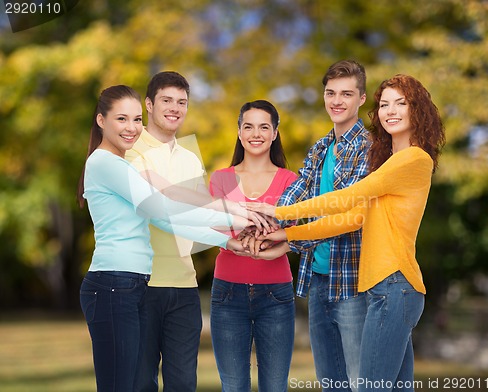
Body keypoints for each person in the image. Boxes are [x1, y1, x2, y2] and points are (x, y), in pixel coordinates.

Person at [246, 74, 446, 392]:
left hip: (396, 287)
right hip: (386, 290)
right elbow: (350, 218)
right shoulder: (391, 165)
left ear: (417, 109)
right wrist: (288, 236)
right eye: (384, 105)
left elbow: (349, 195)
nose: (390, 110)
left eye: (400, 103)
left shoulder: (413, 159)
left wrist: (279, 212)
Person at [76, 85, 248, 392]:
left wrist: (226, 237)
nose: (131, 128)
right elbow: (164, 210)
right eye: (121, 119)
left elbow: (168, 215)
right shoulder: (106, 163)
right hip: (113, 284)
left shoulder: (119, 163)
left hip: (128, 283)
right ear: (101, 120)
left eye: (136, 120)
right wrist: (240, 217)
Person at [255, 59, 370, 391]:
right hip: (318, 279)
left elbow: (344, 215)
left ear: (361, 99)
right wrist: (262, 222)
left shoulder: (370, 148)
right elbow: (297, 193)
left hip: (353, 283)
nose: (336, 101)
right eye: (330, 92)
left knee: (360, 380)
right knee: (331, 383)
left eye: (346, 94)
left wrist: (287, 238)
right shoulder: (321, 148)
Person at [209, 100, 298, 392]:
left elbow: (298, 233)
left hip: (276, 294)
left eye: (264, 126)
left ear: (275, 133)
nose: (255, 133)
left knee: (275, 386)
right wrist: (268, 229)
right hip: (227, 293)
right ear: (238, 131)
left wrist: (274, 237)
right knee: (233, 386)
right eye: (248, 126)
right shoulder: (221, 178)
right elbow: (218, 228)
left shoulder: (290, 180)